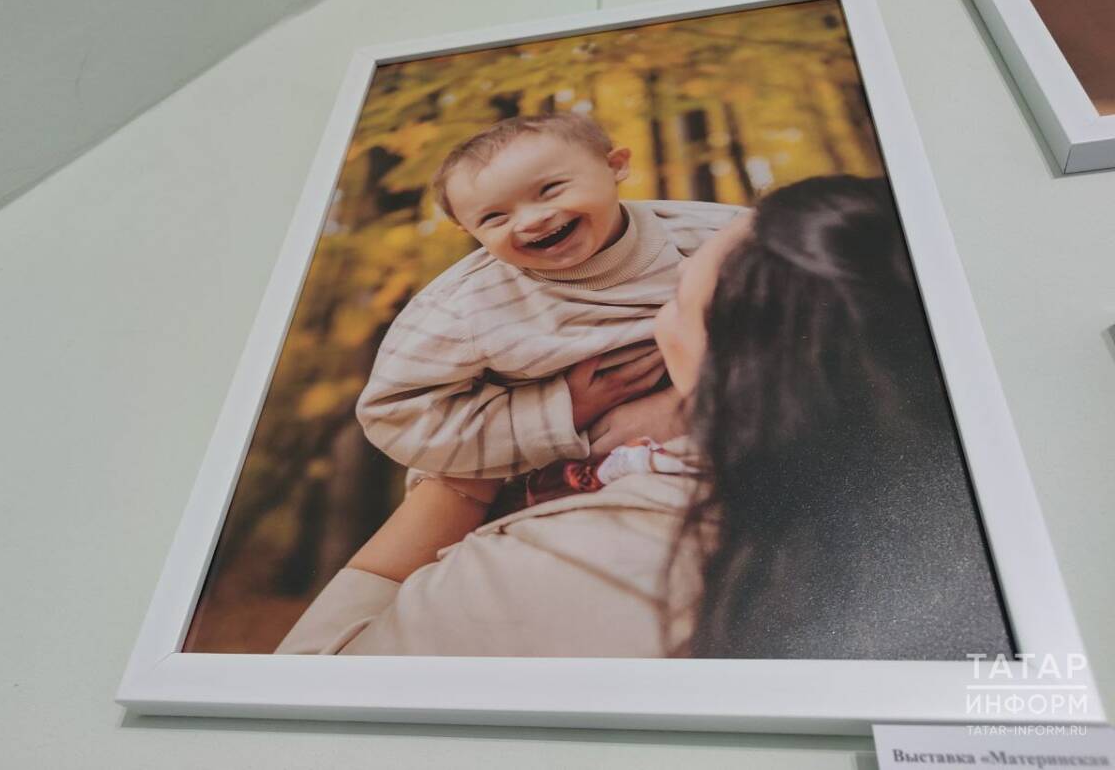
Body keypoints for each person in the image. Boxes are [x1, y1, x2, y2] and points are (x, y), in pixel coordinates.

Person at [276, 175, 1011, 659]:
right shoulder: (978, 529)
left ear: (734, 368)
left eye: (677, 297)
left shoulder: (568, 564)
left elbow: (305, 691)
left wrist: (468, 472)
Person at [349, 112, 743, 583]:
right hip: (533, 475)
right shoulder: (463, 310)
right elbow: (394, 412)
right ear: (469, 231)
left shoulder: (710, 234)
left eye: (550, 190)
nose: (532, 220)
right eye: (494, 217)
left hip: (701, 439)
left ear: (615, 165)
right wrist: (560, 412)